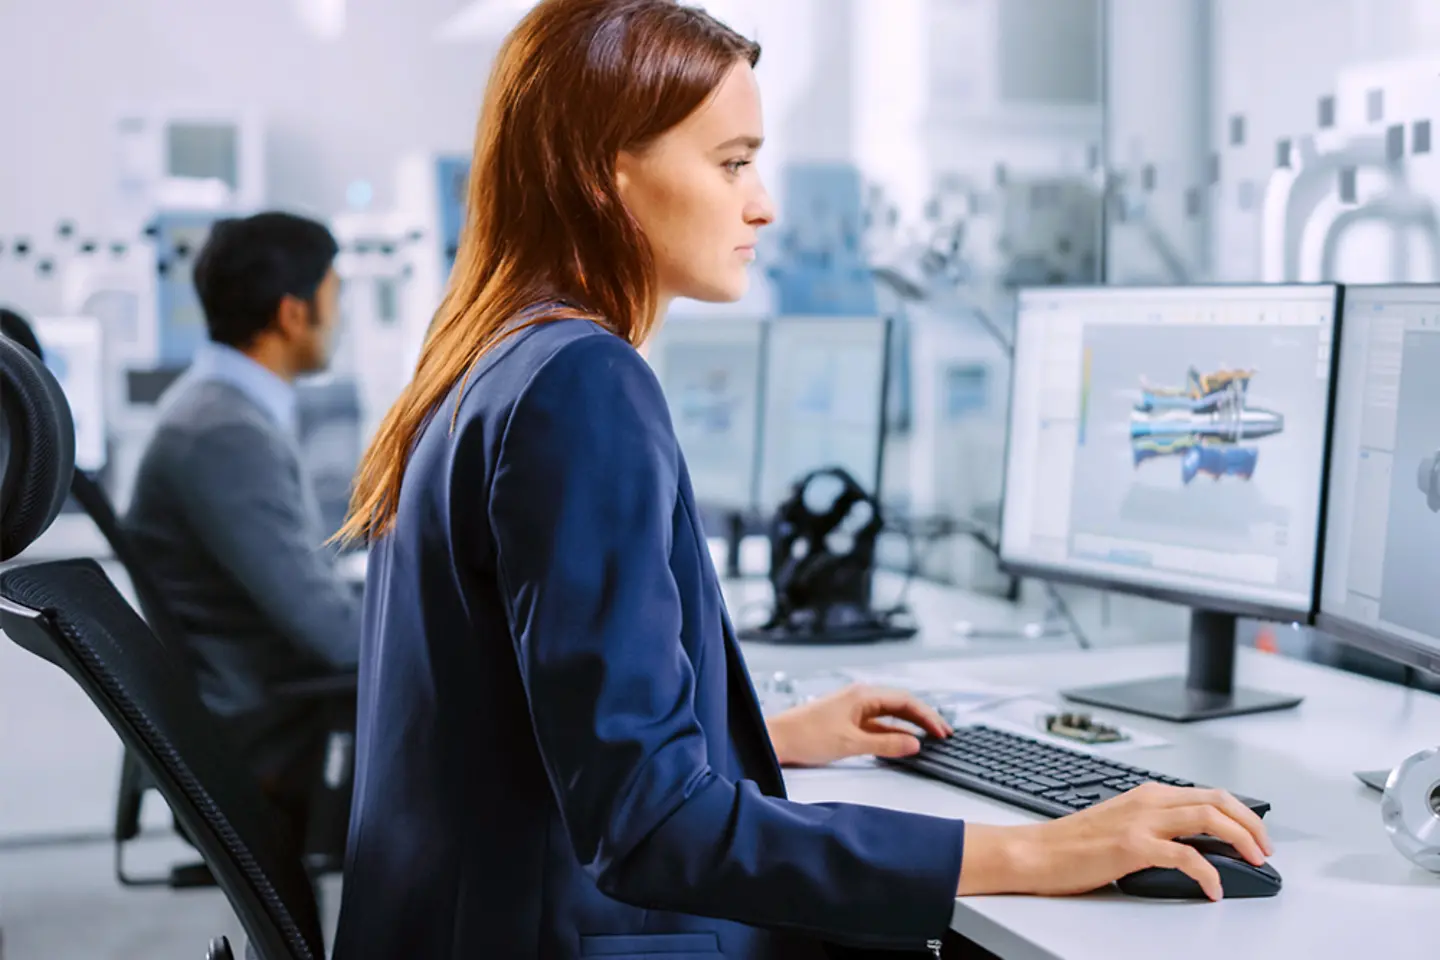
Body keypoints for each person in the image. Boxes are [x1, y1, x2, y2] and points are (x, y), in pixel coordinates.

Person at [331, 1, 1272, 957]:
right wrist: (1040, 848)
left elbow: (514, 727)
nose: (763, 204)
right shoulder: (583, 382)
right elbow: (649, 831)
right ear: (604, 173)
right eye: (732, 162)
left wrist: (757, 735)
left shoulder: (482, 364)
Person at [123, 211, 360, 851]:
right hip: (274, 735)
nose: (338, 322)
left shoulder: (215, 410)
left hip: (267, 710)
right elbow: (335, 638)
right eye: (334, 300)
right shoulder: (224, 432)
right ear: (292, 314)